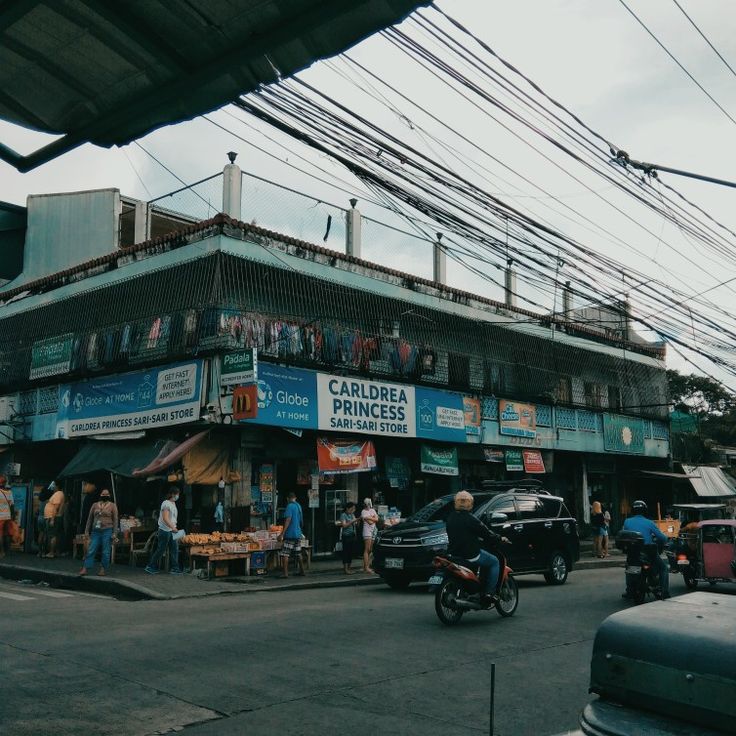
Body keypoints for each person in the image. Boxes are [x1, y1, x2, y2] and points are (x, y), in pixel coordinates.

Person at [446, 490, 510, 604]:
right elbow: (486, 532)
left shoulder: (450, 517)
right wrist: (500, 538)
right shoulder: (470, 519)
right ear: (470, 504)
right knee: (495, 561)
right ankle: (489, 593)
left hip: (454, 553)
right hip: (470, 554)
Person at [621, 500, 670, 600]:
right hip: (648, 552)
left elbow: (623, 534)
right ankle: (664, 592)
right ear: (645, 510)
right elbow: (662, 538)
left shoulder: (627, 521)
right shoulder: (649, 523)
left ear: (633, 510)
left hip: (633, 553)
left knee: (629, 568)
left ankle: (629, 590)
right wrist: (666, 537)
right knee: (663, 568)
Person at [79, 489, 119, 576]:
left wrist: (115, 533)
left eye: (106, 494)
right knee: (91, 549)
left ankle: (102, 569)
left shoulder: (113, 506)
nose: (105, 496)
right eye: (103, 494)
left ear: (109, 496)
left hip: (107, 530)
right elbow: (89, 518)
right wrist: (86, 531)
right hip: (95, 531)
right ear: (100, 495)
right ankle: (85, 568)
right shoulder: (94, 505)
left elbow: (115, 520)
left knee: (106, 551)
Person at [145, 487, 183, 575]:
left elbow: (172, 518)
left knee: (174, 549)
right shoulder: (166, 503)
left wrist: (174, 528)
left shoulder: (173, 504)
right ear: (172, 494)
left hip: (172, 530)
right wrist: (172, 527)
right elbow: (165, 518)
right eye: (177, 494)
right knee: (161, 549)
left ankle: (175, 568)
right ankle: (150, 566)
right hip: (165, 530)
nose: (178, 496)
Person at [278, 492, 305, 578]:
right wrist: (300, 531)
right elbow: (301, 521)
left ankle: (285, 573)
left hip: (290, 533)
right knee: (298, 552)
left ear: (287, 498)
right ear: (295, 498)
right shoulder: (298, 506)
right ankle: (302, 571)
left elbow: (288, 520)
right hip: (298, 533)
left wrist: (282, 533)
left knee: (285, 553)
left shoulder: (289, 506)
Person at [43, 481, 65, 559]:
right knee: (54, 535)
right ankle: (54, 551)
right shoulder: (58, 494)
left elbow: (56, 507)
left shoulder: (58, 494)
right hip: (53, 517)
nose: (52, 487)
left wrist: (52, 519)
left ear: (57, 486)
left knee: (52, 535)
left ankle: (51, 552)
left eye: (54, 485)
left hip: (53, 517)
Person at [338, 501, 359, 574]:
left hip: (352, 535)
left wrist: (356, 521)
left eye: (354, 509)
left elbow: (355, 523)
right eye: (352, 509)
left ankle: (349, 568)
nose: (353, 510)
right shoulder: (343, 515)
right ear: (347, 508)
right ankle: (345, 569)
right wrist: (352, 521)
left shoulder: (352, 515)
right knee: (346, 553)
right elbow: (344, 525)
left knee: (351, 553)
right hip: (346, 536)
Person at [361, 498, 379, 574]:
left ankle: (366, 566)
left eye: (369, 503)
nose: (368, 505)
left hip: (373, 531)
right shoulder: (363, 511)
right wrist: (373, 518)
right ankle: (366, 567)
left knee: (371, 549)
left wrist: (368, 518)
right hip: (367, 531)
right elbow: (370, 522)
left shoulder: (372, 510)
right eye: (367, 503)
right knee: (367, 549)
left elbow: (377, 519)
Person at [0, 476, 14, 558]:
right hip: (8, 516)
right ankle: (7, 551)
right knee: (7, 534)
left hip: (0, 517)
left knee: (0, 535)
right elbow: (12, 506)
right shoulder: (9, 492)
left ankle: (1, 552)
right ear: (5, 483)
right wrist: (12, 516)